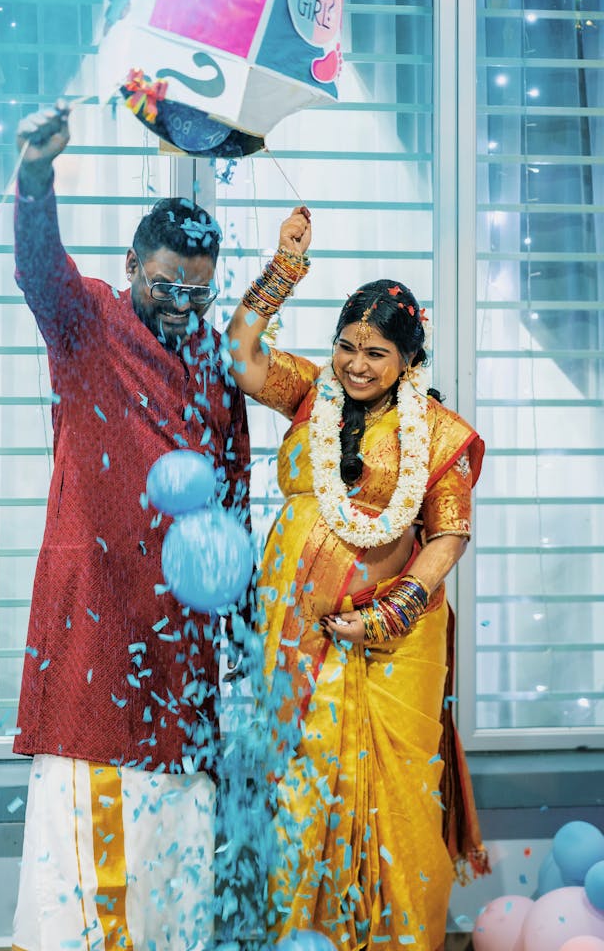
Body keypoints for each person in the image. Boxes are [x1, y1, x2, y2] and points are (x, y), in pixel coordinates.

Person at [10, 101, 251, 951]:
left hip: (182, 649)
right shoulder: (90, 324)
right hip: (95, 633)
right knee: (90, 872)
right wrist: (36, 176)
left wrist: (246, 634)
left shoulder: (217, 363)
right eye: (165, 286)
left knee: (177, 865)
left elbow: (234, 500)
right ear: (130, 267)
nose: (181, 306)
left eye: (198, 291)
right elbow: (40, 269)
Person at [226, 207, 489, 950]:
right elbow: (240, 356)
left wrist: (394, 611)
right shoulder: (312, 395)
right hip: (298, 631)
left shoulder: (438, 432)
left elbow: (448, 535)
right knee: (301, 785)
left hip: (393, 643)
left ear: (408, 358)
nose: (357, 365)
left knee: (397, 790)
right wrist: (283, 267)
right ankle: (300, 933)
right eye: (346, 346)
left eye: (376, 352)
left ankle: (400, 939)